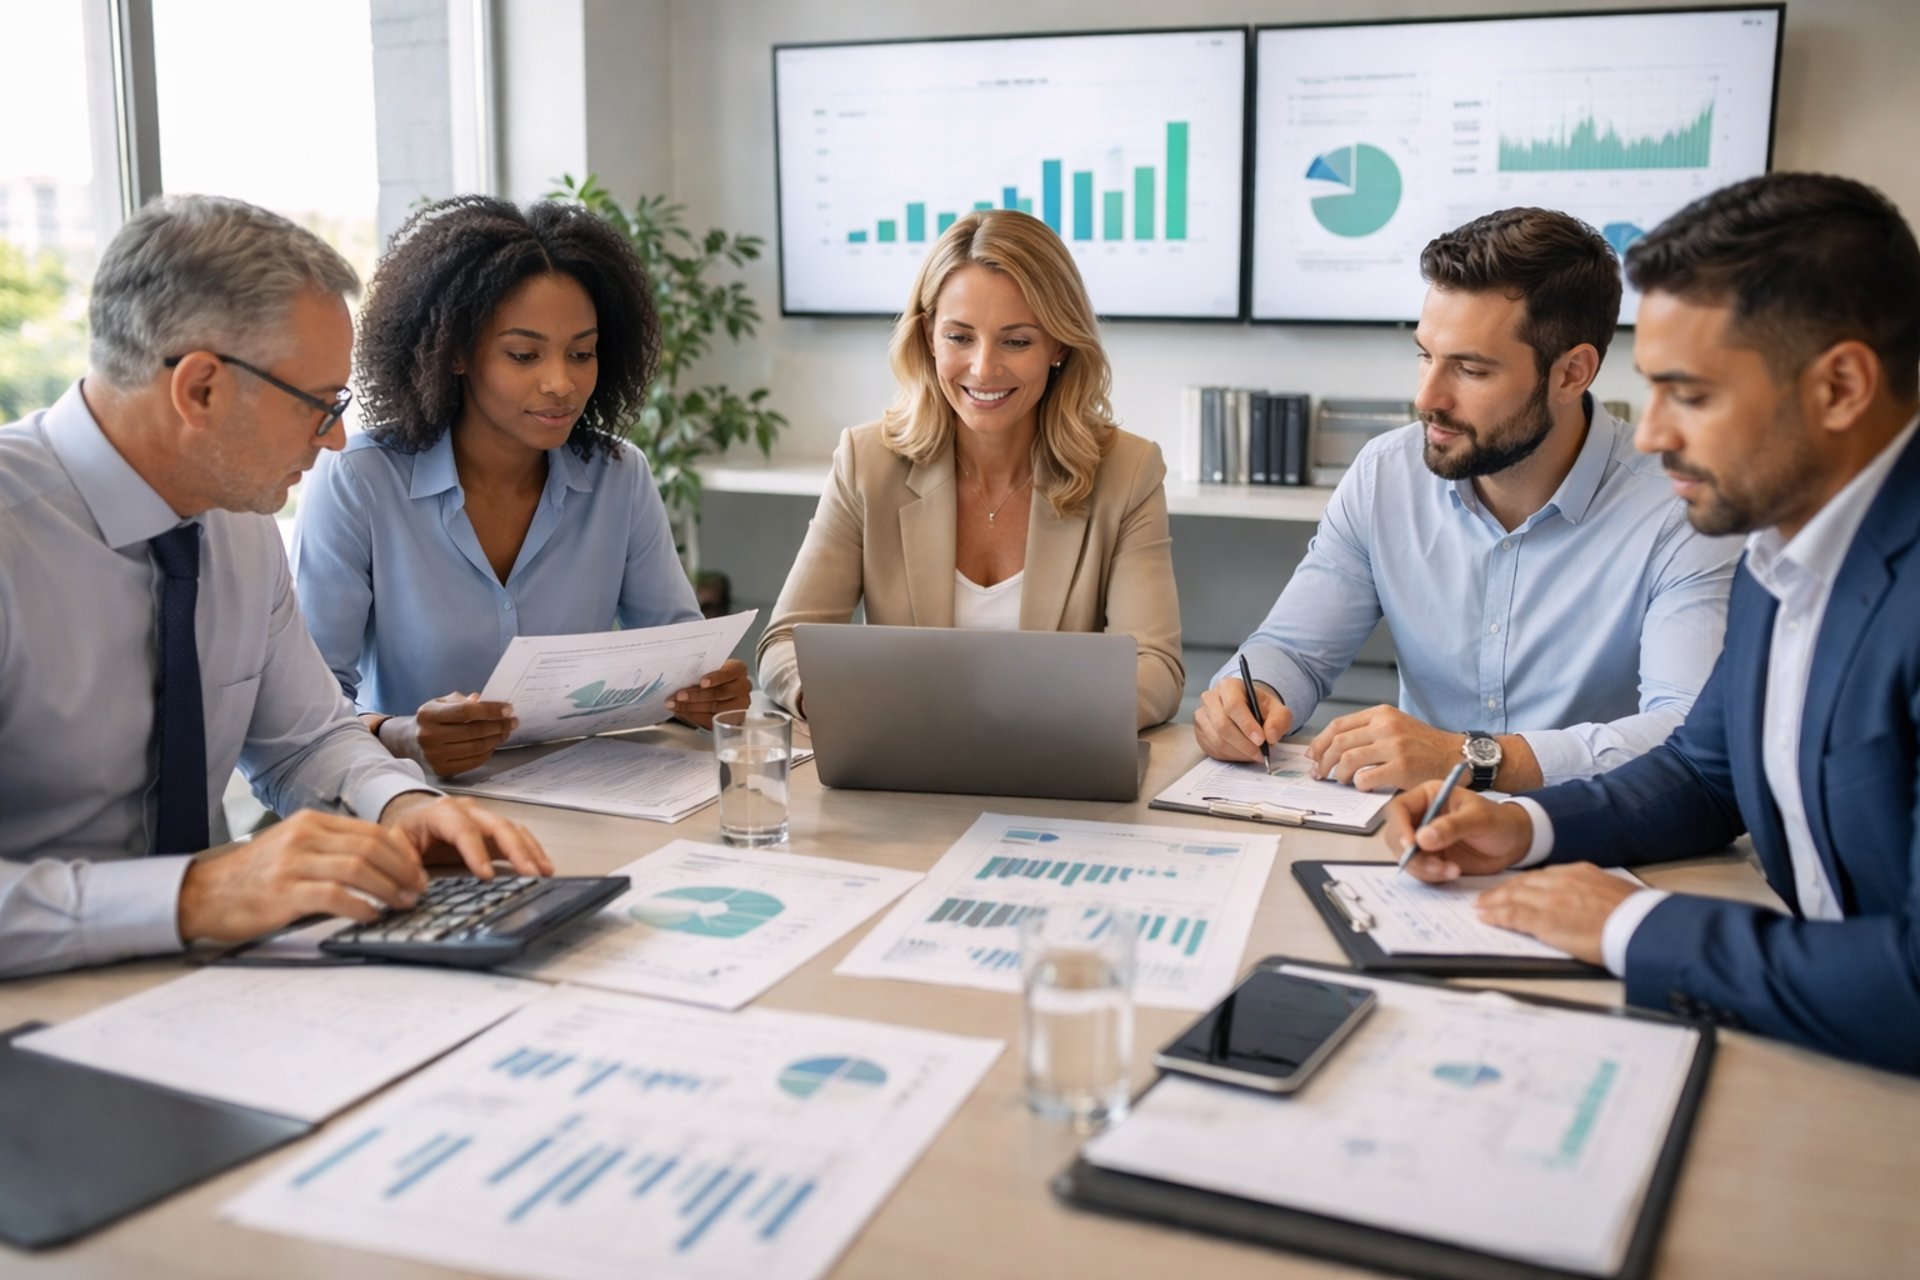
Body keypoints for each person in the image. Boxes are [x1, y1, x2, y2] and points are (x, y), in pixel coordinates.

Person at [1384, 173, 1920, 1076]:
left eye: (1692, 395)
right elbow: (1704, 778)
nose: (1649, 434)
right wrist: (1521, 826)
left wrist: (1631, 922)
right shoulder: (1778, 548)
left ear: (1840, 387)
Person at [0, 195, 550, 979]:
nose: (335, 440)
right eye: (319, 406)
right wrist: (191, 895)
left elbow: (308, 739)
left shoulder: (234, 517)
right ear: (201, 390)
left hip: (211, 980)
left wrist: (406, 806)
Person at [1194, 207, 1740, 793]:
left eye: (1470, 370)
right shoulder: (1386, 474)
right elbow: (1294, 652)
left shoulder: (1684, 509)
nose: (1427, 397)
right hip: (1416, 839)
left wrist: (1473, 757)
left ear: (1571, 374)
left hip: (1598, 839)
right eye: (1425, 355)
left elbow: (1684, 732)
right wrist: (1252, 699)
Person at [292, 196, 750, 779]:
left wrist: (708, 689)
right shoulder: (360, 479)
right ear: (455, 353)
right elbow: (307, 702)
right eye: (523, 354)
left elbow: (678, 654)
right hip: (422, 804)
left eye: (582, 353)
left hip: (594, 796)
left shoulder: (618, 476)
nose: (561, 383)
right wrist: (397, 733)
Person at [755, 209, 1183, 729]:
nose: (983, 368)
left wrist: (1029, 723)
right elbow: (784, 644)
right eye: (960, 337)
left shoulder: (1128, 471)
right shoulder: (866, 462)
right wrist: (835, 700)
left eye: (1016, 340)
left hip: (1052, 767)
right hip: (903, 776)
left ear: (1059, 346)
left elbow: (1156, 669)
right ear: (928, 334)